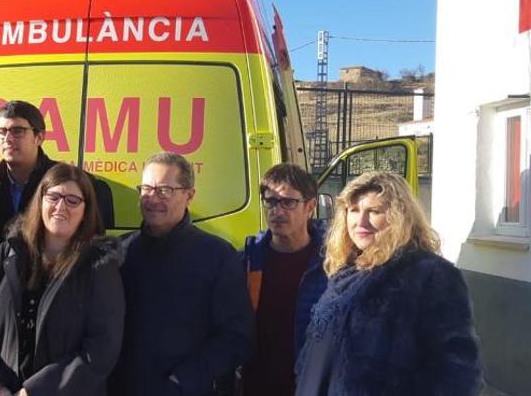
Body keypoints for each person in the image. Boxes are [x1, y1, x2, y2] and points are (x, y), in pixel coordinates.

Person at [295, 172, 482, 395]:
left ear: (398, 217)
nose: (360, 221)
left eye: (374, 211)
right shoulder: (348, 269)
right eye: (353, 210)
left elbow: (458, 371)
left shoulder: (430, 274)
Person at [0, 163, 125, 396]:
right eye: (53, 196)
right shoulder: (10, 253)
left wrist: (33, 392)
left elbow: (101, 348)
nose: (60, 206)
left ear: (87, 210)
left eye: (72, 200)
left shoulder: (99, 266)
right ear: (40, 200)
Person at [110, 152, 253, 396]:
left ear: (189, 195)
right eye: (146, 189)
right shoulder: (121, 252)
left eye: (164, 190)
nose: (152, 199)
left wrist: (182, 381)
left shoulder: (217, 256)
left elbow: (237, 335)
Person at [0, 100, 114, 247]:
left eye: (17, 131)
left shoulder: (76, 184)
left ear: (39, 137)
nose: (8, 139)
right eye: (2, 131)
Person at [240, 163, 327, 396]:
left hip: (309, 385)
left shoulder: (332, 263)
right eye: (271, 201)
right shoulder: (247, 260)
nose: (277, 211)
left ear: (310, 207)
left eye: (288, 202)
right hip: (256, 384)